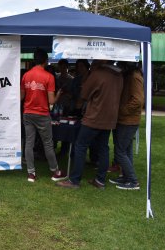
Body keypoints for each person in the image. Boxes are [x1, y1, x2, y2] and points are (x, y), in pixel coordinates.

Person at [57, 60, 123, 189]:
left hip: (94, 117)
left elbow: (84, 94)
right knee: (103, 148)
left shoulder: (98, 74)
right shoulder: (118, 75)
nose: (92, 63)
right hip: (109, 118)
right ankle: (100, 180)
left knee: (80, 146)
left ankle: (74, 181)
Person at [21, 48, 66, 183]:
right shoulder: (49, 77)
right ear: (45, 61)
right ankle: (55, 171)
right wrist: (58, 95)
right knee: (48, 143)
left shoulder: (26, 75)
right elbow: (51, 101)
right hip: (42, 114)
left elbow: (21, 96)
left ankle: (31, 174)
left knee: (29, 143)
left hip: (28, 113)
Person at [109, 62, 144, 190]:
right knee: (126, 151)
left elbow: (138, 100)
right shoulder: (130, 75)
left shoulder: (134, 76)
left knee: (120, 152)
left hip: (128, 120)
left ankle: (133, 181)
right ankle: (126, 176)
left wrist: (122, 110)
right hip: (126, 119)